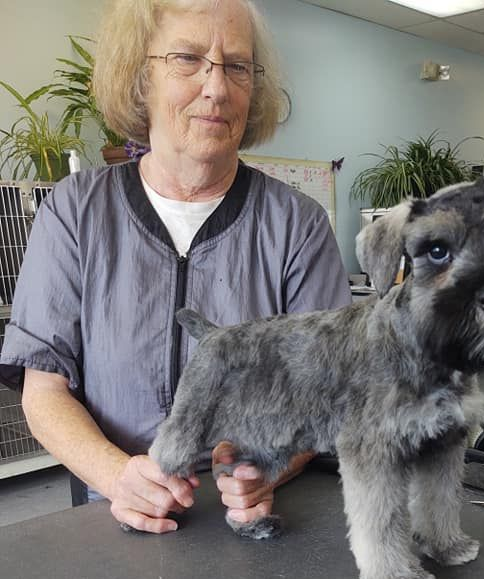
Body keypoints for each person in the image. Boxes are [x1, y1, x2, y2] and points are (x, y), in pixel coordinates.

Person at [0, 0, 350, 533]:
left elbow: (327, 392)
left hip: (256, 520)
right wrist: (116, 475)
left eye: (236, 66)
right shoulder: (75, 211)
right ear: (141, 77)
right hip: (112, 515)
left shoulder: (297, 226)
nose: (216, 88)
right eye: (188, 59)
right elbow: (43, 389)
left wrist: (270, 463)